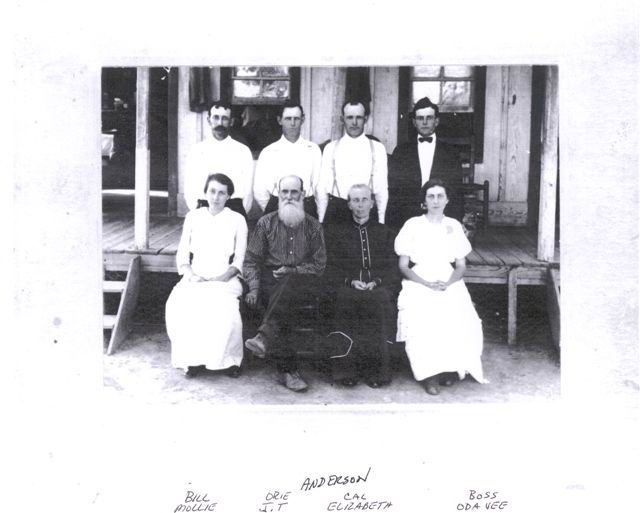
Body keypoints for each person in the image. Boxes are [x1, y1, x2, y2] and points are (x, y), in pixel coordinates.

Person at [394, 178, 487, 395]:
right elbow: (403, 266)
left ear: (447, 200)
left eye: (440, 196)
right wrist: (426, 283)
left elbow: (461, 265)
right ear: (424, 201)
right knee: (426, 314)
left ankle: (449, 368)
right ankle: (430, 374)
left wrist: (448, 283)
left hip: (447, 278)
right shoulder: (413, 225)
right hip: (419, 278)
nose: (435, 201)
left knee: (457, 311)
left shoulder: (453, 225)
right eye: (431, 196)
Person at [243, 175, 327, 392]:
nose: (289, 197)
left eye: (294, 192)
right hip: (271, 279)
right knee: (283, 302)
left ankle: (264, 336)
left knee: (288, 286)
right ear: (278, 194)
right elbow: (251, 260)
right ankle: (289, 371)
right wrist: (254, 288)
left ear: (303, 195)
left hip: (304, 280)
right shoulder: (265, 223)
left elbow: (319, 266)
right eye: (284, 192)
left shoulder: (313, 226)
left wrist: (294, 270)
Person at [165, 173, 248, 378]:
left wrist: (224, 277)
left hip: (225, 276)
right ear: (205, 192)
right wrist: (191, 275)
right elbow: (183, 253)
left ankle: (228, 361)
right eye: (212, 191)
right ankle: (193, 360)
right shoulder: (193, 217)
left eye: (222, 193)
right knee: (180, 304)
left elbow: (239, 258)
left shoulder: (237, 220)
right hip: (196, 274)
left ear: (229, 196)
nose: (216, 197)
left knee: (224, 311)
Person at [324, 184, 399, 388]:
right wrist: (350, 281)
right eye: (355, 200)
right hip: (348, 286)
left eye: (364, 199)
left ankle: (376, 371)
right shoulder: (338, 233)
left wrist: (376, 282)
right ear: (349, 204)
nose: (360, 205)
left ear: (372, 203)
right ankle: (346, 371)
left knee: (380, 300)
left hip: (378, 286)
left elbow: (393, 266)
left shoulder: (385, 232)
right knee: (344, 299)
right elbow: (331, 266)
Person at [387, 96, 464, 230]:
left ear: (436, 121)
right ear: (414, 122)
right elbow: (395, 191)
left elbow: (456, 191)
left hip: (441, 214)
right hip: (408, 215)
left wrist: (455, 223)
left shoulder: (451, 153)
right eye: (420, 118)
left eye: (429, 118)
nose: (424, 122)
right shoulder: (401, 151)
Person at [317, 99, 389, 225]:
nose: (354, 122)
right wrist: (321, 220)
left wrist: (381, 221)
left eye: (359, 117)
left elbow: (382, 189)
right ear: (342, 119)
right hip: (337, 211)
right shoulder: (330, 148)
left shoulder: (377, 148)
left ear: (365, 119)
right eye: (350, 117)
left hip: (366, 211)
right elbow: (322, 188)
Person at [184, 101, 254, 216]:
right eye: (216, 117)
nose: (220, 123)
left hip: (233, 209)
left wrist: (239, 215)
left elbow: (247, 191)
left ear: (231, 122)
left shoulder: (242, 151)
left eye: (224, 118)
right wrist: (198, 213)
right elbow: (190, 189)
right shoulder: (197, 150)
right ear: (208, 120)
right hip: (204, 209)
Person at [253, 101, 321, 218]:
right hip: (277, 207)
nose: (292, 123)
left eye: (296, 119)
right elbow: (259, 190)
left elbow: (319, 187)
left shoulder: (313, 149)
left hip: (306, 208)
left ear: (303, 120)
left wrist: (319, 216)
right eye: (288, 119)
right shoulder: (269, 152)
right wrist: (274, 211)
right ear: (280, 120)